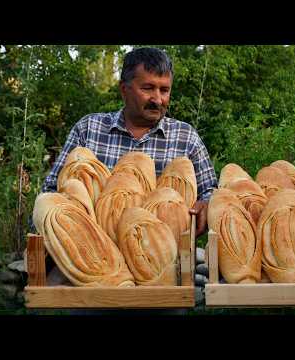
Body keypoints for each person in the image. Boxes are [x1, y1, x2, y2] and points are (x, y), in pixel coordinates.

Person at [38, 47, 215, 309]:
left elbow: (211, 191)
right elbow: (52, 191)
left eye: (164, 90)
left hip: (162, 278)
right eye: (148, 88)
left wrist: (205, 204)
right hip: (94, 272)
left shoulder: (185, 137)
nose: (158, 99)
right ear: (124, 89)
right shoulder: (89, 129)